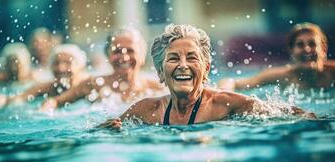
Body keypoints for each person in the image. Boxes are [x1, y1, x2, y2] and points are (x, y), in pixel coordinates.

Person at [99, 24, 315, 129]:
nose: (183, 66)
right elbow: (105, 130)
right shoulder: (146, 110)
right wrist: (110, 129)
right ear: (160, 72)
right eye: (173, 58)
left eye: (192, 57)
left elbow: (290, 115)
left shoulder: (228, 104)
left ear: (207, 69)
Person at [40, 27, 164, 111]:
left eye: (130, 51)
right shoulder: (93, 84)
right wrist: (44, 111)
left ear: (142, 55)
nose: (124, 57)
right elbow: (56, 101)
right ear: (108, 55)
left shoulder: (156, 88)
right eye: (117, 51)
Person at [218, 22, 335, 91]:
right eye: (300, 44)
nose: (307, 49)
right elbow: (231, 82)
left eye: (312, 44)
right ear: (291, 50)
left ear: (323, 49)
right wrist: (224, 92)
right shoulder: (283, 76)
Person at [0, 44, 88, 109]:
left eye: (67, 63)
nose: (61, 68)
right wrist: (3, 99)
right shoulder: (48, 87)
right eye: (56, 63)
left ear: (81, 66)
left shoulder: (90, 86)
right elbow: (19, 98)